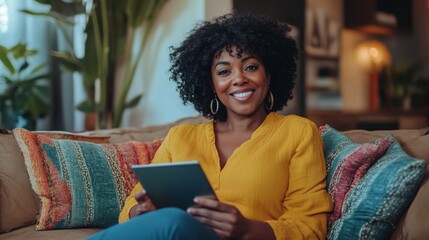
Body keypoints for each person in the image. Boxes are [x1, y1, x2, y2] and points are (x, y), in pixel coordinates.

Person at [88, 12, 332, 240]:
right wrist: (139, 212)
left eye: (250, 67)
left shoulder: (298, 132)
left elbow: (310, 228)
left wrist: (246, 228)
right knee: (170, 220)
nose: (238, 79)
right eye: (224, 71)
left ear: (269, 75)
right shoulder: (180, 137)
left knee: (172, 220)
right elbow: (132, 203)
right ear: (211, 83)